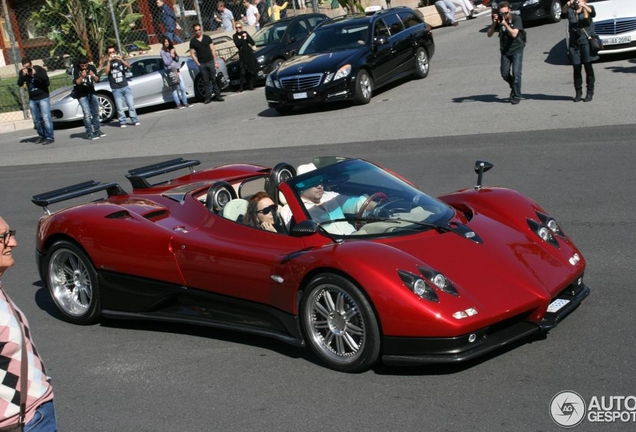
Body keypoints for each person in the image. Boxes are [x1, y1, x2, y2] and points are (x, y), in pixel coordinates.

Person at [0, 218, 57, 431]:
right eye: (2, 237)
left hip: (34, 410)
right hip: (20, 422)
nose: (13, 242)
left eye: (10, 233)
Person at [282, 163, 372, 235]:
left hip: (355, 237)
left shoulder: (330, 196)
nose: (319, 186)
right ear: (301, 187)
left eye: (320, 181)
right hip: (330, 248)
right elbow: (298, 235)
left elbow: (358, 203)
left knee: (379, 227)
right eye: (313, 183)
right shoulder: (292, 209)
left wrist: (378, 207)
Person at [487, 1, 525, 104]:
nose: (503, 15)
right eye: (501, 13)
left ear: (509, 10)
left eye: (505, 13)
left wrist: (505, 24)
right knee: (504, 74)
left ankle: (517, 95)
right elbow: (489, 34)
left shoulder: (516, 18)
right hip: (505, 51)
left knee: (516, 74)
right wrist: (494, 23)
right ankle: (514, 87)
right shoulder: (499, 20)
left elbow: (514, 34)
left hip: (517, 49)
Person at [564, 0, 597, 102]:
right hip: (574, 44)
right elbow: (562, 14)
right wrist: (567, 5)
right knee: (576, 68)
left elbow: (593, 14)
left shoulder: (588, 8)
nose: (577, 2)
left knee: (588, 66)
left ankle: (590, 91)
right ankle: (578, 92)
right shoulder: (570, 10)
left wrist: (584, 6)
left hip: (586, 42)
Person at [17, 57, 54, 145]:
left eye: (29, 66)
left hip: (43, 97)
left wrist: (35, 74)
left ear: (32, 65)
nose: (27, 69)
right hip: (33, 99)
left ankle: (49, 137)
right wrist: (22, 75)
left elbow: (47, 82)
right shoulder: (23, 72)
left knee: (46, 118)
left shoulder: (39, 69)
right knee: (36, 120)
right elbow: (19, 84)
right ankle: (41, 136)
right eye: (25, 67)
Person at [101, 45, 140, 128]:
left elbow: (128, 66)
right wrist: (108, 61)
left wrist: (121, 59)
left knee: (131, 104)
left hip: (125, 85)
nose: (112, 54)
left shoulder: (120, 59)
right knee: (119, 107)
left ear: (116, 52)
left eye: (113, 52)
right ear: (107, 54)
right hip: (115, 88)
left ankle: (134, 119)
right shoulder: (107, 62)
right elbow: (106, 72)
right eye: (110, 53)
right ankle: (122, 121)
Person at [189, 24, 225, 103]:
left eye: (199, 29)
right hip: (202, 64)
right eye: (196, 30)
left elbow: (213, 49)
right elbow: (192, 54)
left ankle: (218, 96)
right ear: (194, 31)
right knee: (206, 82)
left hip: (210, 61)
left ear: (201, 29)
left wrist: (215, 61)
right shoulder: (193, 41)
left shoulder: (207, 38)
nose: (198, 31)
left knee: (214, 79)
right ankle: (208, 98)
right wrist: (198, 64)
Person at [73, 55, 105, 140]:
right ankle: (89, 132)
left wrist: (93, 75)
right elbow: (76, 82)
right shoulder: (76, 69)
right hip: (81, 94)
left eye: (85, 65)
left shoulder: (91, 67)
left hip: (91, 91)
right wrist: (82, 76)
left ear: (88, 63)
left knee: (96, 112)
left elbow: (97, 80)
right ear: (79, 64)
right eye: (82, 66)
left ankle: (97, 130)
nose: (84, 67)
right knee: (87, 114)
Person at [160, 36, 190, 108]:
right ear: (163, 43)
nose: (167, 43)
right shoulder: (162, 51)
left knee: (182, 87)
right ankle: (178, 103)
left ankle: (185, 102)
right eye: (165, 42)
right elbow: (166, 63)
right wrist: (171, 55)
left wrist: (174, 56)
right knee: (174, 89)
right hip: (171, 71)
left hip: (177, 70)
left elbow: (177, 59)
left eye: (167, 41)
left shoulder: (172, 48)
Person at [233, 23, 258, 92]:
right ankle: (241, 88)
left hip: (249, 54)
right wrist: (243, 38)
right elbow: (238, 44)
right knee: (242, 72)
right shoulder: (235, 36)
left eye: (239, 27)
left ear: (242, 27)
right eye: (236, 27)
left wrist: (246, 38)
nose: (238, 29)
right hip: (242, 54)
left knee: (251, 70)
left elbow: (252, 42)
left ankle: (251, 86)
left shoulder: (245, 33)